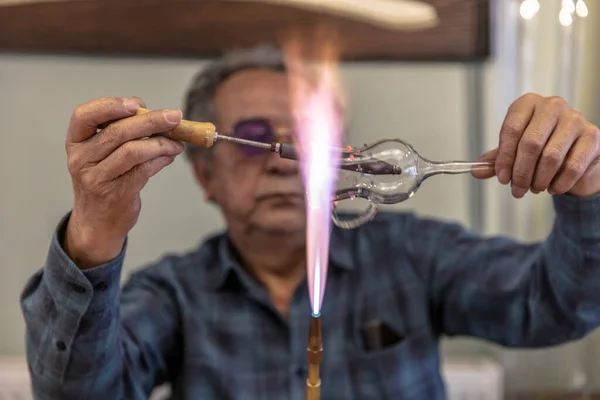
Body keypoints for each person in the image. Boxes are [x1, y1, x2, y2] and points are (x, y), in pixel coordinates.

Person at [20, 44, 600, 400]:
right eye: (250, 139)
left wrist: (587, 185)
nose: (285, 160)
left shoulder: (413, 256)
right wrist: (94, 233)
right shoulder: (175, 294)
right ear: (206, 177)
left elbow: (556, 304)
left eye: (305, 134)